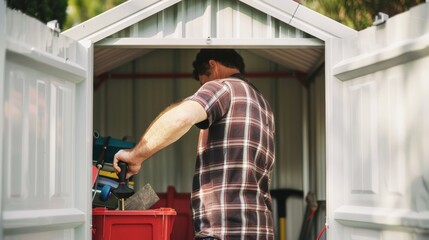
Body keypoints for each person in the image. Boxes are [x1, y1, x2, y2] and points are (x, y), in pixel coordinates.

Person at [113, 49, 276, 240]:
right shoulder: (263, 105)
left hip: (223, 231)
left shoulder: (222, 87)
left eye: (202, 83)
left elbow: (181, 118)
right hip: (260, 230)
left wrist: (135, 156)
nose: (202, 89)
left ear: (213, 66)